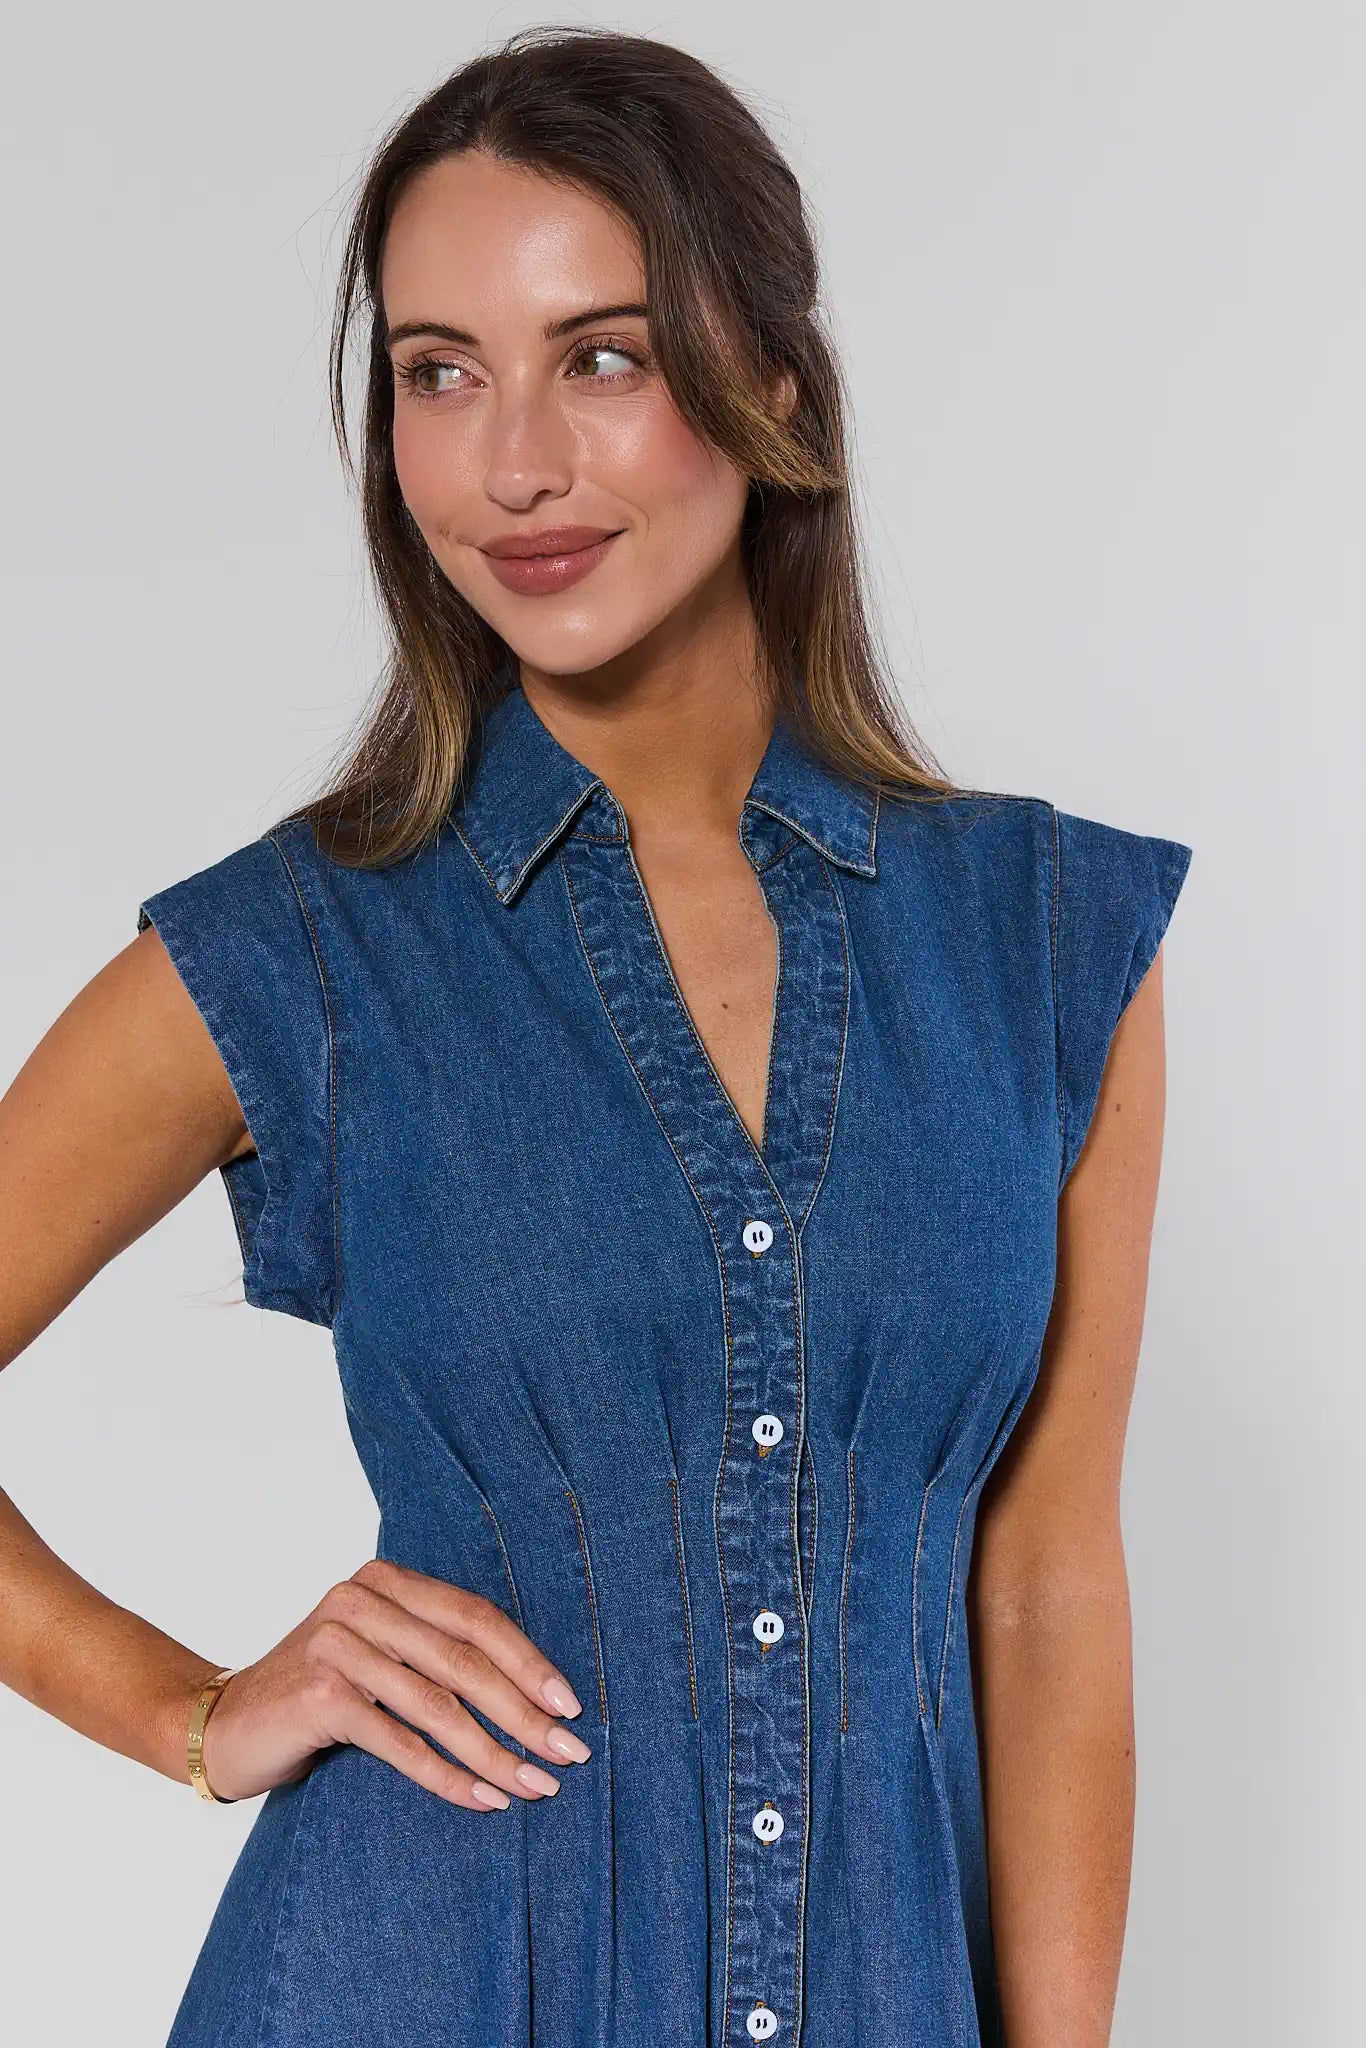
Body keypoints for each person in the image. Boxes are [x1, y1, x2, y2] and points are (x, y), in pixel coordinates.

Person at [0, 26, 1195, 2048]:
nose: (510, 463)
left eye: (603, 357)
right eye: (436, 372)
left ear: (772, 386)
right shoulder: (296, 951)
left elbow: (1044, 1580)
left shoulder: (1045, 937)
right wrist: (193, 1714)